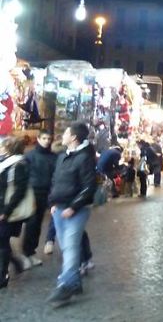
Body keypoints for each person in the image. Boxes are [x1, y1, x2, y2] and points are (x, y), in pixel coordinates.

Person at [46, 121, 97, 307]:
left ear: (74, 137)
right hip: (59, 209)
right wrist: (52, 202)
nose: (63, 136)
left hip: (76, 210)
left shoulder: (85, 158)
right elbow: (55, 181)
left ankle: (66, 285)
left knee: (71, 246)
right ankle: (74, 282)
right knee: (66, 246)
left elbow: (89, 187)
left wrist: (73, 207)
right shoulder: (63, 157)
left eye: (66, 133)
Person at [0, 135, 31, 289]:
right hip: (3, 207)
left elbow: (19, 191)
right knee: (2, 241)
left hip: (7, 210)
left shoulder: (18, 165)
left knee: (2, 241)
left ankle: (3, 274)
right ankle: (15, 262)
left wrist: (6, 211)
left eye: (3, 146)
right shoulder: (4, 163)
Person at [22, 130, 55, 269]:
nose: (47, 141)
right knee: (32, 223)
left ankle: (30, 253)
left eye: (49, 138)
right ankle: (26, 254)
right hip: (31, 193)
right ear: (38, 139)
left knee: (36, 224)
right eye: (44, 138)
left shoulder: (53, 157)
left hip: (46, 193)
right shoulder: (30, 156)